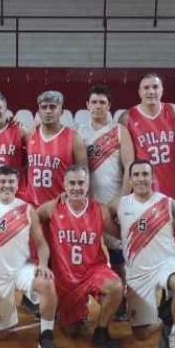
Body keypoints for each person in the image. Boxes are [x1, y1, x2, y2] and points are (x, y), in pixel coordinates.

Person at [108, 160, 175, 348]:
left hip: (165, 264)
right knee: (141, 333)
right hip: (138, 273)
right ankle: (166, 316)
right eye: (137, 175)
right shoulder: (120, 205)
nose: (141, 179)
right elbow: (100, 215)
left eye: (145, 174)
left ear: (153, 178)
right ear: (130, 179)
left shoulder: (167, 203)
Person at [0, 166, 60, 348]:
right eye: (2, 181)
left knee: (47, 283)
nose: (7, 185)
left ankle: (46, 336)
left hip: (21, 269)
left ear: (17, 184)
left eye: (11, 181)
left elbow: (42, 245)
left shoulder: (27, 209)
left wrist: (43, 264)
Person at [37, 165, 124, 348]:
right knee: (71, 331)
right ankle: (75, 309)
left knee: (116, 287)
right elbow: (32, 220)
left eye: (81, 183)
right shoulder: (52, 208)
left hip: (93, 271)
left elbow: (120, 234)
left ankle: (101, 331)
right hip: (66, 279)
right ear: (65, 185)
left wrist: (135, 218)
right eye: (72, 183)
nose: (76, 187)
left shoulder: (99, 210)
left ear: (88, 185)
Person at [77, 85, 134, 318]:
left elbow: (130, 164)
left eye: (102, 102)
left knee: (117, 255)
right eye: (94, 102)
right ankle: (81, 303)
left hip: (112, 203)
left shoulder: (119, 131)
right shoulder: (80, 133)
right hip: (89, 205)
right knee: (85, 257)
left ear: (109, 106)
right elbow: (77, 169)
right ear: (87, 105)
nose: (98, 106)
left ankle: (121, 300)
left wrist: (122, 197)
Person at [119, 74, 175, 203]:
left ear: (162, 90)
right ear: (139, 92)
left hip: (172, 184)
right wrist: (124, 196)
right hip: (142, 187)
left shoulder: (172, 110)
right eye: (146, 88)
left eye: (155, 87)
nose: (151, 91)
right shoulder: (127, 117)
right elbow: (126, 162)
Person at [25, 90, 88, 207]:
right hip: (32, 207)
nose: (48, 111)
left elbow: (84, 175)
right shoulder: (29, 135)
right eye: (44, 107)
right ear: (38, 111)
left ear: (61, 111)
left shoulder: (74, 138)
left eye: (53, 107)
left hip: (60, 206)